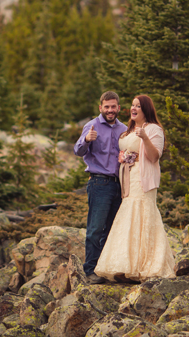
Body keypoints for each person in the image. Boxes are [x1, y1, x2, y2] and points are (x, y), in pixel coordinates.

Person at [93, 94, 176, 282]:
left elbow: (155, 157)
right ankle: (125, 265)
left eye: (138, 106)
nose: (133, 108)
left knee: (141, 212)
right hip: (127, 177)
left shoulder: (154, 129)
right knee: (128, 213)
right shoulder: (129, 129)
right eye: (132, 105)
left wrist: (145, 137)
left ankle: (144, 265)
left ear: (146, 109)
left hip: (143, 178)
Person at [74, 91, 127, 283]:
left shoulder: (124, 128)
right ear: (100, 108)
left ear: (119, 108)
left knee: (111, 230)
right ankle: (90, 270)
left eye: (113, 107)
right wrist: (87, 139)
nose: (110, 110)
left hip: (119, 185)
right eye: (107, 107)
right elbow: (77, 151)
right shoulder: (92, 125)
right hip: (99, 183)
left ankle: (105, 268)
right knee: (95, 229)